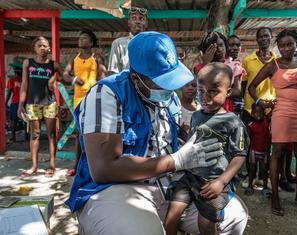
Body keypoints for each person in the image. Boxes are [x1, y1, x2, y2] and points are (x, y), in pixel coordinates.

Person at [65, 31, 248, 235]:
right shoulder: (106, 94)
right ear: (136, 78)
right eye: (162, 81)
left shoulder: (170, 98)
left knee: (235, 218)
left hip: (170, 183)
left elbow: (173, 141)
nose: (170, 87)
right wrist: (178, 159)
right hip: (117, 187)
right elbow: (103, 169)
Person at [164, 62, 249, 235]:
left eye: (213, 91)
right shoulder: (196, 115)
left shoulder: (233, 122)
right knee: (171, 217)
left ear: (229, 92)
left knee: (205, 223)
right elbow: (192, 144)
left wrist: (221, 182)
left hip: (213, 180)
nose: (206, 97)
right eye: (201, 91)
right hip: (190, 177)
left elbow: (239, 155)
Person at [248, 29, 297, 216]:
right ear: (278, 47)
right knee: (277, 152)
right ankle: (275, 197)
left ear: (296, 44)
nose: (285, 48)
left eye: (289, 44)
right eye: (282, 45)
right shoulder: (274, 65)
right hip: (283, 112)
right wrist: (259, 102)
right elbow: (252, 86)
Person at [18, 36, 64, 177]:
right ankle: (34, 166)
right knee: (35, 134)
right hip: (32, 103)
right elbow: (25, 85)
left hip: (50, 103)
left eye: (45, 45)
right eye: (40, 45)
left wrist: (54, 78)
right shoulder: (28, 63)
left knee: (51, 135)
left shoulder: (54, 64)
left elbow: (64, 79)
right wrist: (21, 104)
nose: (43, 48)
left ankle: (51, 165)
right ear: (35, 48)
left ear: (49, 48)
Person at [63, 30, 107, 177]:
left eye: (85, 38)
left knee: (94, 133)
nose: (81, 40)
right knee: (79, 134)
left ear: (91, 42)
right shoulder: (73, 58)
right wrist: (74, 79)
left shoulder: (97, 58)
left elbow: (102, 77)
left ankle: (94, 165)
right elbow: (65, 74)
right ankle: (77, 166)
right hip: (78, 100)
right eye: (80, 38)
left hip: (93, 99)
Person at [194, 32, 243, 113]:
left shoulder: (234, 66)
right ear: (208, 50)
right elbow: (198, 88)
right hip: (206, 109)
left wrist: (217, 95)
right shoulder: (200, 68)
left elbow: (237, 91)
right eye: (215, 47)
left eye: (221, 45)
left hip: (225, 110)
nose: (219, 49)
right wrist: (205, 63)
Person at [108, 6, 148, 73]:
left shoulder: (153, 43)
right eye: (134, 18)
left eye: (141, 19)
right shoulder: (118, 44)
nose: (137, 21)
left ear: (146, 23)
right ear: (129, 23)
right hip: (125, 83)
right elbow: (113, 72)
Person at [244, 103, 271, 198]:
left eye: (260, 112)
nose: (258, 114)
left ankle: (265, 188)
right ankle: (250, 186)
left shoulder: (266, 121)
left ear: (264, 113)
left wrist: (269, 106)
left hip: (265, 151)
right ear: (252, 113)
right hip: (253, 151)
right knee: (252, 170)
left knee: (264, 170)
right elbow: (249, 139)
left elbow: (272, 112)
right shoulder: (251, 125)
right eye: (255, 112)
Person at [6, 62, 22, 142]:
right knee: (27, 120)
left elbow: (9, 93)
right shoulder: (25, 80)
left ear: (14, 71)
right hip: (25, 102)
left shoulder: (11, 80)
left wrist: (5, 102)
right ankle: (27, 136)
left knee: (13, 120)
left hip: (15, 102)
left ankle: (13, 137)